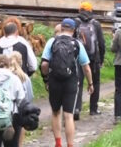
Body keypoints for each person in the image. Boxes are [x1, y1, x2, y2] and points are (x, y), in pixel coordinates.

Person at [40, 19, 93, 147]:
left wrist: (46, 79)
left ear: (61, 28)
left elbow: (44, 64)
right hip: (71, 82)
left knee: (55, 112)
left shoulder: (52, 42)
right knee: (68, 116)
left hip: (54, 81)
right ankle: (70, 145)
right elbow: (86, 67)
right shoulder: (77, 44)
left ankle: (58, 143)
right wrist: (90, 83)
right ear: (74, 30)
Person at [74, 1, 105, 118]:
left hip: (77, 58)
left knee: (78, 82)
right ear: (91, 11)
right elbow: (101, 43)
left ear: (79, 10)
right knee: (95, 82)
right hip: (93, 58)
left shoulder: (75, 23)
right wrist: (101, 59)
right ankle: (93, 109)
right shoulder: (96, 24)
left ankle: (76, 109)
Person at [8, 51, 33, 147]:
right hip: (20, 110)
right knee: (19, 131)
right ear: (21, 62)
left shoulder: (6, 75)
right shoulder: (24, 77)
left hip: (6, 109)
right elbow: (30, 96)